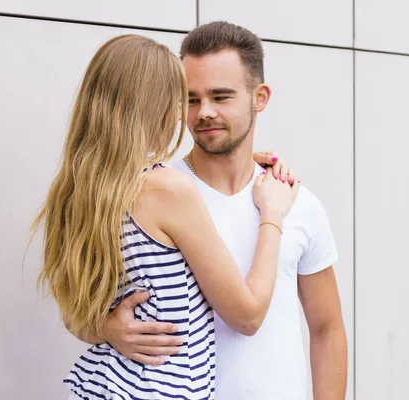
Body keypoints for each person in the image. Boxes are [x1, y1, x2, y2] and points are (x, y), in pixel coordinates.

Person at [33, 34, 300, 400]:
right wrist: (273, 213)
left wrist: (107, 328)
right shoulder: (168, 190)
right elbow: (247, 315)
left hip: (99, 385)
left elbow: (75, 314)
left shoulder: (76, 192)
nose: (181, 114)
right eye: (180, 100)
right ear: (153, 105)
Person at [94, 22, 348, 399]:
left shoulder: (296, 202)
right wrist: (105, 328)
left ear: (259, 96)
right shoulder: (150, 193)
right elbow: (84, 301)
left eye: (221, 96)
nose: (204, 112)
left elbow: (326, 328)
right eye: (191, 99)